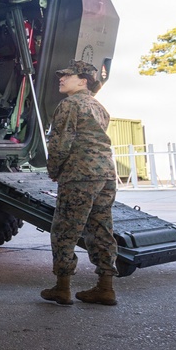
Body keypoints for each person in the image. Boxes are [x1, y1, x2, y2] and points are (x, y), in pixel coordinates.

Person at [40, 60, 119, 306]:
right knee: (101, 228)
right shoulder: (98, 106)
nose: (61, 79)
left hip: (79, 175)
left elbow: (60, 142)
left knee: (65, 230)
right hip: (105, 174)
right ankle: (105, 287)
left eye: (68, 76)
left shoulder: (69, 104)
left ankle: (62, 288)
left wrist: (54, 170)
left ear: (83, 81)